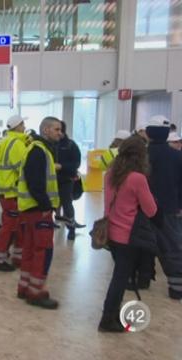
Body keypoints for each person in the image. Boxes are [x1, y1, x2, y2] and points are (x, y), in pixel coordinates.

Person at [99, 136, 157, 332]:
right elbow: (151, 210)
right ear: (142, 156)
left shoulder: (110, 173)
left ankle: (113, 314)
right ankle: (107, 319)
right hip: (128, 236)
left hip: (111, 234)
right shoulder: (138, 178)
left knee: (119, 275)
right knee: (120, 278)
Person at [16, 117, 62, 309]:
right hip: (38, 209)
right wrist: (45, 206)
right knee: (43, 251)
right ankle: (36, 293)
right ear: (45, 130)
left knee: (30, 248)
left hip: (30, 208)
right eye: (57, 129)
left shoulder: (36, 149)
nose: (60, 133)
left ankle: (25, 287)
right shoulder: (38, 151)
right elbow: (36, 182)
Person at [143, 115, 182, 299]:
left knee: (140, 244)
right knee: (171, 247)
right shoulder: (177, 156)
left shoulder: (141, 154)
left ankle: (141, 279)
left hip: (141, 208)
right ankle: (176, 287)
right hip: (168, 209)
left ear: (148, 133)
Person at [0, 115, 28, 272]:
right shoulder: (18, 144)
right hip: (14, 191)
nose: (25, 126)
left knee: (17, 225)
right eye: (23, 124)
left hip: (4, 190)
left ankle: (18, 256)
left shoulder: (3, 142)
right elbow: (24, 169)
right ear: (18, 126)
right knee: (10, 226)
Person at [55, 121, 84, 240]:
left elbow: (76, 163)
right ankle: (55, 220)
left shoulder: (70, 145)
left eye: (58, 129)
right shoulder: (49, 145)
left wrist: (62, 166)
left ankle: (71, 228)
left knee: (67, 205)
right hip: (51, 180)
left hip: (66, 180)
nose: (56, 132)